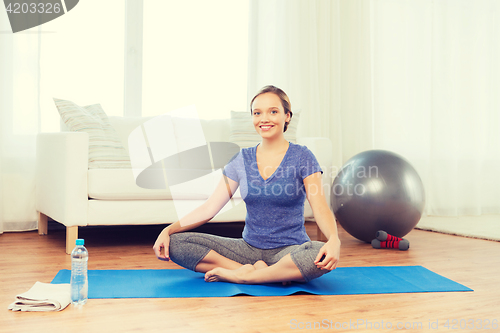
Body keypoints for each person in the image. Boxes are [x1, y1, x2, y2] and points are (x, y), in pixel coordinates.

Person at [153, 85, 341, 285]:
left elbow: (320, 208)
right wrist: (168, 230)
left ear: (287, 116)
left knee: (315, 254)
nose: (264, 119)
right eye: (257, 113)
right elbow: (210, 208)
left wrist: (334, 240)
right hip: (247, 250)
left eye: (273, 112)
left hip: (290, 250)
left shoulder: (303, 156)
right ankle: (268, 274)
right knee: (177, 243)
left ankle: (241, 276)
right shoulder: (241, 159)